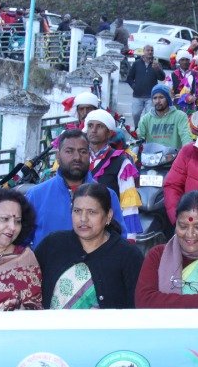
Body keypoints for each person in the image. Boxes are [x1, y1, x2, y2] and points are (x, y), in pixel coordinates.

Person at [34, 182, 144, 309]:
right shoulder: (52, 245)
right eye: (77, 211)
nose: (83, 219)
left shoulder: (128, 256)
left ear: (108, 216)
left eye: (92, 212)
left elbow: (137, 309)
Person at [25, 129, 125, 246]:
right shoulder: (36, 195)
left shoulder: (108, 195)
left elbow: (119, 241)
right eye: (69, 151)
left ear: (89, 155)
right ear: (58, 156)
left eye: (83, 151)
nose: (77, 157)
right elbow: (21, 243)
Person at [83, 110, 143, 239]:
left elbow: (129, 204)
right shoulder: (79, 159)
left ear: (109, 133)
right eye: (90, 125)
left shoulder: (121, 162)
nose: (93, 130)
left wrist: (130, 237)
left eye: (99, 126)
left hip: (108, 231)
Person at [136, 83, 192, 151]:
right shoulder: (145, 119)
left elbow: (186, 136)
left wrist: (187, 150)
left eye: (161, 97)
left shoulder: (180, 116)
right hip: (152, 156)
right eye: (155, 98)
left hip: (174, 156)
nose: (158, 101)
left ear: (168, 99)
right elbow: (138, 139)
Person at [121, 45, 163, 122]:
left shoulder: (156, 64)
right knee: (135, 114)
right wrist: (134, 87)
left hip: (151, 96)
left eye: (152, 50)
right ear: (143, 51)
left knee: (149, 116)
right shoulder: (137, 63)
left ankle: (146, 129)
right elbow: (129, 78)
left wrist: (158, 69)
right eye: (148, 50)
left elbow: (162, 78)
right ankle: (137, 127)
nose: (150, 52)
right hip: (137, 95)